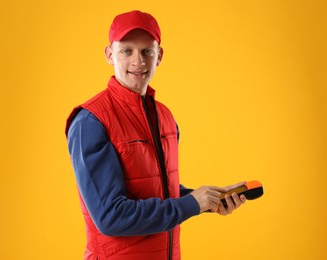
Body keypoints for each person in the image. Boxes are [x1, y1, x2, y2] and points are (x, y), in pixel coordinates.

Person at [66, 10, 247, 260]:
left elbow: (158, 190)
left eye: (147, 51)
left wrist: (209, 200)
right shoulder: (91, 121)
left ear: (159, 55)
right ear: (110, 55)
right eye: (126, 50)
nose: (138, 61)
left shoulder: (165, 117)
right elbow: (111, 216)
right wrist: (192, 203)